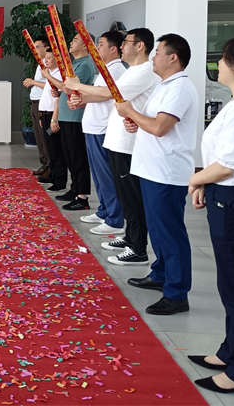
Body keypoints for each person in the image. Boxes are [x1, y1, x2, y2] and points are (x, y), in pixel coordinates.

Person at [186, 34, 234, 394]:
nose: (218, 66)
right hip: (224, 194)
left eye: (224, 60)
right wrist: (205, 181)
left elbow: (231, 161)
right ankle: (230, 351)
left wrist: (197, 178)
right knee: (230, 282)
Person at [115, 33, 198, 315]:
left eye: (159, 52)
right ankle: (160, 273)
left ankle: (176, 292)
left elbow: (161, 127)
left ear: (173, 58)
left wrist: (130, 111)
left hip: (166, 171)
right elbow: (152, 122)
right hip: (151, 169)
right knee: (159, 229)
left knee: (170, 232)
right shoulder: (165, 85)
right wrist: (135, 121)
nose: (153, 57)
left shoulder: (180, 88)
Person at [80, 28, 159, 266]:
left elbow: (109, 93)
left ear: (140, 46)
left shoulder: (144, 71)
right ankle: (130, 238)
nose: (123, 46)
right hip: (118, 140)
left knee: (132, 198)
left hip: (128, 145)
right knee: (126, 196)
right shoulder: (132, 71)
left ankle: (138, 249)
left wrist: (77, 86)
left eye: (127, 42)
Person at [65, 30, 126, 235]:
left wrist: (79, 88)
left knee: (107, 176)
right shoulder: (104, 69)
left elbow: (108, 94)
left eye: (100, 45)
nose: (96, 48)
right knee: (99, 176)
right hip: (93, 127)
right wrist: (81, 100)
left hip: (103, 128)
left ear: (113, 49)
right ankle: (104, 210)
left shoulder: (116, 69)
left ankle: (114, 218)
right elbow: (99, 95)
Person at [45, 33, 97, 210]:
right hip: (66, 116)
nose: (71, 42)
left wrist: (48, 76)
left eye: (75, 40)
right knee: (70, 156)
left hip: (76, 118)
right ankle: (74, 189)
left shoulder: (85, 65)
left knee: (78, 157)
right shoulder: (74, 64)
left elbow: (69, 88)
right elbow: (66, 89)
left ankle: (82, 196)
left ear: (85, 45)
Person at [37, 48, 66, 191]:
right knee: (50, 147)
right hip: (46, 115)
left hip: (52, 116)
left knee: (55, 149)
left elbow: (57, 99)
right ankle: (53, 175)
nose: (46, 61)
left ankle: (59, 181)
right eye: (46, 58)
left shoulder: (58, 74)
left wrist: (55, 119)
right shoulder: (51, 74)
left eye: (49, 58)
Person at [22, 37, 51, 179]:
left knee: (44, 137)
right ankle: (44, 164)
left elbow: (51, 84)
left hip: (42, 103)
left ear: (47, 48)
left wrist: (33, 82)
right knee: (39, 137)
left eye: (38, 46)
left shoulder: (49, 63)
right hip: (35, 102)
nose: (35, 49)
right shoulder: (40, 63)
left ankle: (49, 168)